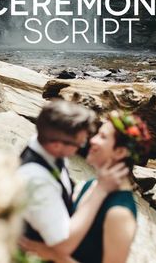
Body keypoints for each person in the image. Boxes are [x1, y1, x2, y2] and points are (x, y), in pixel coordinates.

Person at [19, 100, 129, 262]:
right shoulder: (36, 180)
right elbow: (62, 244)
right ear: (56, 145)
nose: (86, 145)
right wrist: (100, 190)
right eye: (80, 143)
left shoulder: (45, 144)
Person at [72, 110, 151, 263]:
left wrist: (54, 255)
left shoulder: (120, 213)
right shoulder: (92, 184)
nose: (92, 140)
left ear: (120, 152)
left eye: (102, 137)